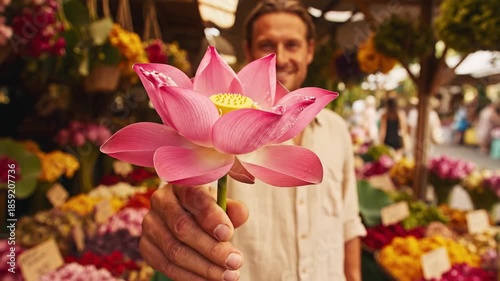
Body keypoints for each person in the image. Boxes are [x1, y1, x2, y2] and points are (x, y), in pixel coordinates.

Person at [139, 1, 366, 280]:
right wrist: (173, 214)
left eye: (292, 45)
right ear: (248, 52)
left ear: (310, 51)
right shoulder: (202, 125)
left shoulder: (337, 130)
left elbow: (348, 222)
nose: (280, 58)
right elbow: (182, 196)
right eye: (266, 45)